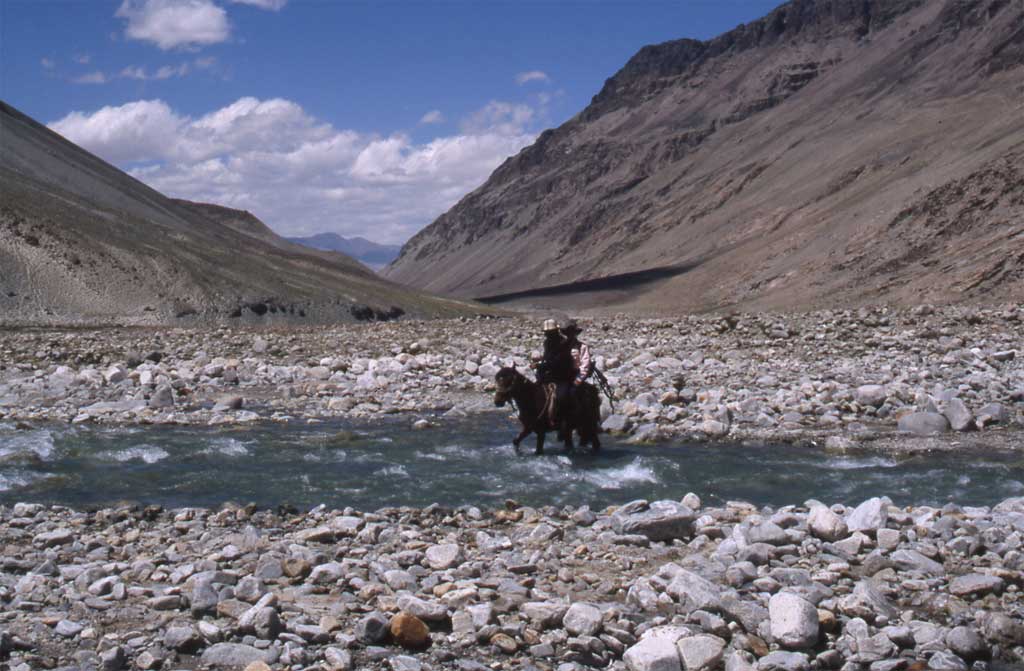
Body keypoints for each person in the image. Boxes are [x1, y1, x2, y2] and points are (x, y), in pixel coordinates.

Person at [536, 318, 574, 427]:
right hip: (550, 373)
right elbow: (548, 358)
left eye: (549, 333)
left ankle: (563, 420)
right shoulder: (547, 343)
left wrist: (540, 365)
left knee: (561, 396)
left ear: (555, 332)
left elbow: (557, 361)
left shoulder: (563, 343)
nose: (547, 335)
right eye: (546, 333)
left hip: (563, 375)